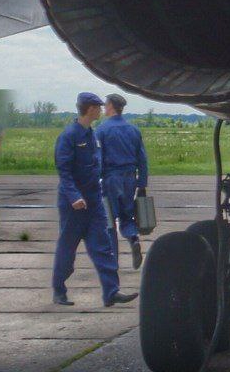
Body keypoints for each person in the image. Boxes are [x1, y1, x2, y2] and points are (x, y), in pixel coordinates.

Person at [52, 92, 136, 308]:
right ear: (90, 109)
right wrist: (74, 197)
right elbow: (64, 171)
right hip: (74, 205)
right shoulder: (69, 136)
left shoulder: (92, 135)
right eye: (98, 107)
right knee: (67, 249)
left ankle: (111, 292)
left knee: (103, 246)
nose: (101, 110)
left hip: (94, 201)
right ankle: (59, 290)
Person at [97, 93, 149, 270]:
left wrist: (94, 182)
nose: (104, 107)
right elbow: (142, 160)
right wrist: (142, 185)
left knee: (109, 221)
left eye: (105, 104)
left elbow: (98, 160)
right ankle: (133, 239)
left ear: (111, 106)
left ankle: (113, 262)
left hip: (111, 179)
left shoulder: (102, 130)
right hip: (129, 180)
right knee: (127, 217)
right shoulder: (133, 130)